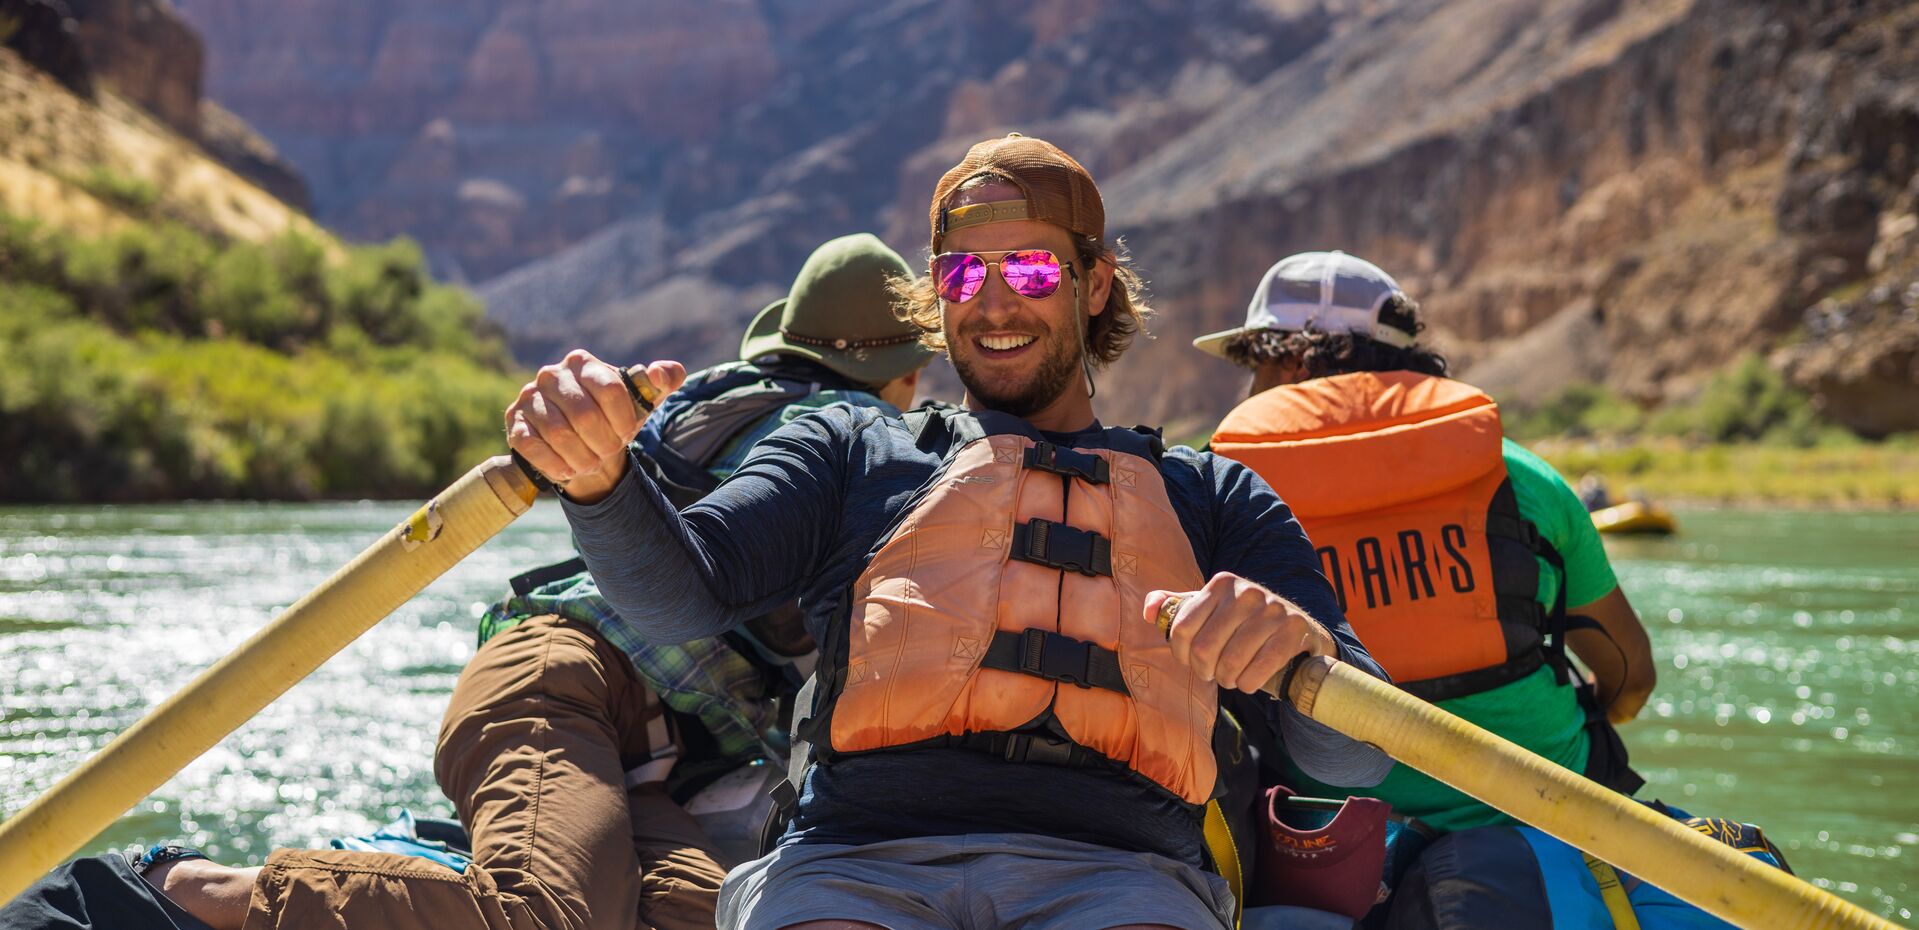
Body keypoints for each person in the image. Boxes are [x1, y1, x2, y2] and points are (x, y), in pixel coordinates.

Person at [503, 134, 1394, 930]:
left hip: (1119, 877)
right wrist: (600, 483)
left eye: (1031, 273)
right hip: (852, 869)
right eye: (961, 274)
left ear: (1093, 285)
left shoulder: (1212, 496)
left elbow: (1355, 756)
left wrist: (1297, 653)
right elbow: (677, 597)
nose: (992, 303)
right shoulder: (847, 445)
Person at [18, 235, 933, 930]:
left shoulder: (714, 402)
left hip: (660, 755)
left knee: (713, 918)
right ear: (899, 376)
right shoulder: (847, 438)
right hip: (564, 679)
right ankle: (173, 888)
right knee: (542, 913)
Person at [1195, 250, 1656, 833]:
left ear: (1288, 365)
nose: (1250, 389)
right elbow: (1632, 675)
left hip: (1331, 840)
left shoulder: (1224, 500)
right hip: (1551, 818)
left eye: (1252, 367)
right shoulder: (1525, 478)